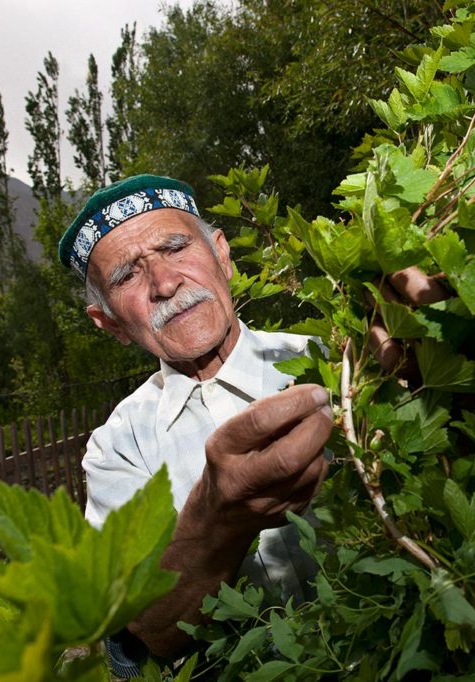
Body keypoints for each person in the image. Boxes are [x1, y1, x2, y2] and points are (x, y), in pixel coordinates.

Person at [58, 175, 334, 673]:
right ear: (110, 323)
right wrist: (217, 518)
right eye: (127, 277)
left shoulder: (330, 354)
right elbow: (153, 630)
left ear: (223, 256)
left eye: (176, 247)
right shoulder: (118, 448)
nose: (165, 284)